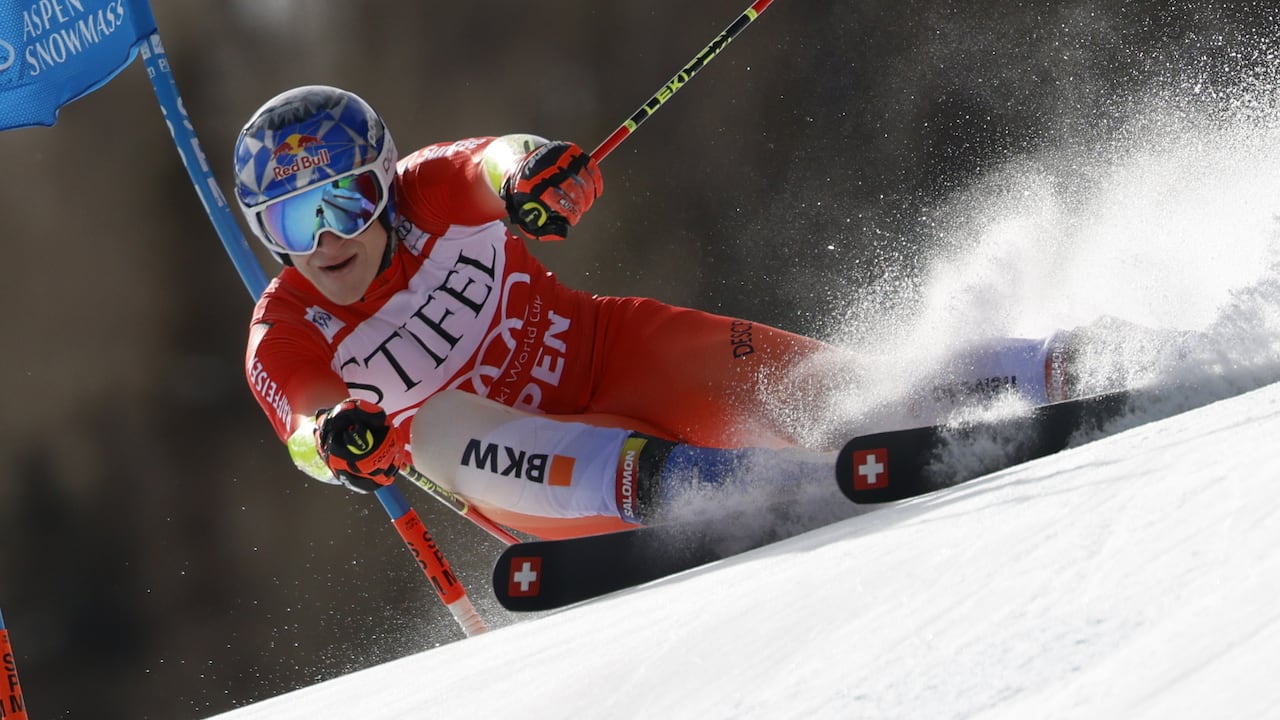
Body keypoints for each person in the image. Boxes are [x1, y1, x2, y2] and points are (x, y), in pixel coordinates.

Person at [234, 85, 1075, 540]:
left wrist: (537, 177)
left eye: (344, 203)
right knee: (437, 428)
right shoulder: (285, 327)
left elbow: (494, 162)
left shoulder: (428, 192)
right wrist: (341, 438)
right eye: (290, 222)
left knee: (838, 392)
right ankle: (724, 486)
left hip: (614, 353)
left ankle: (1050, 368)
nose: (324, 241)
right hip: (538, 481)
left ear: (384, 186)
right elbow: (304, 422)